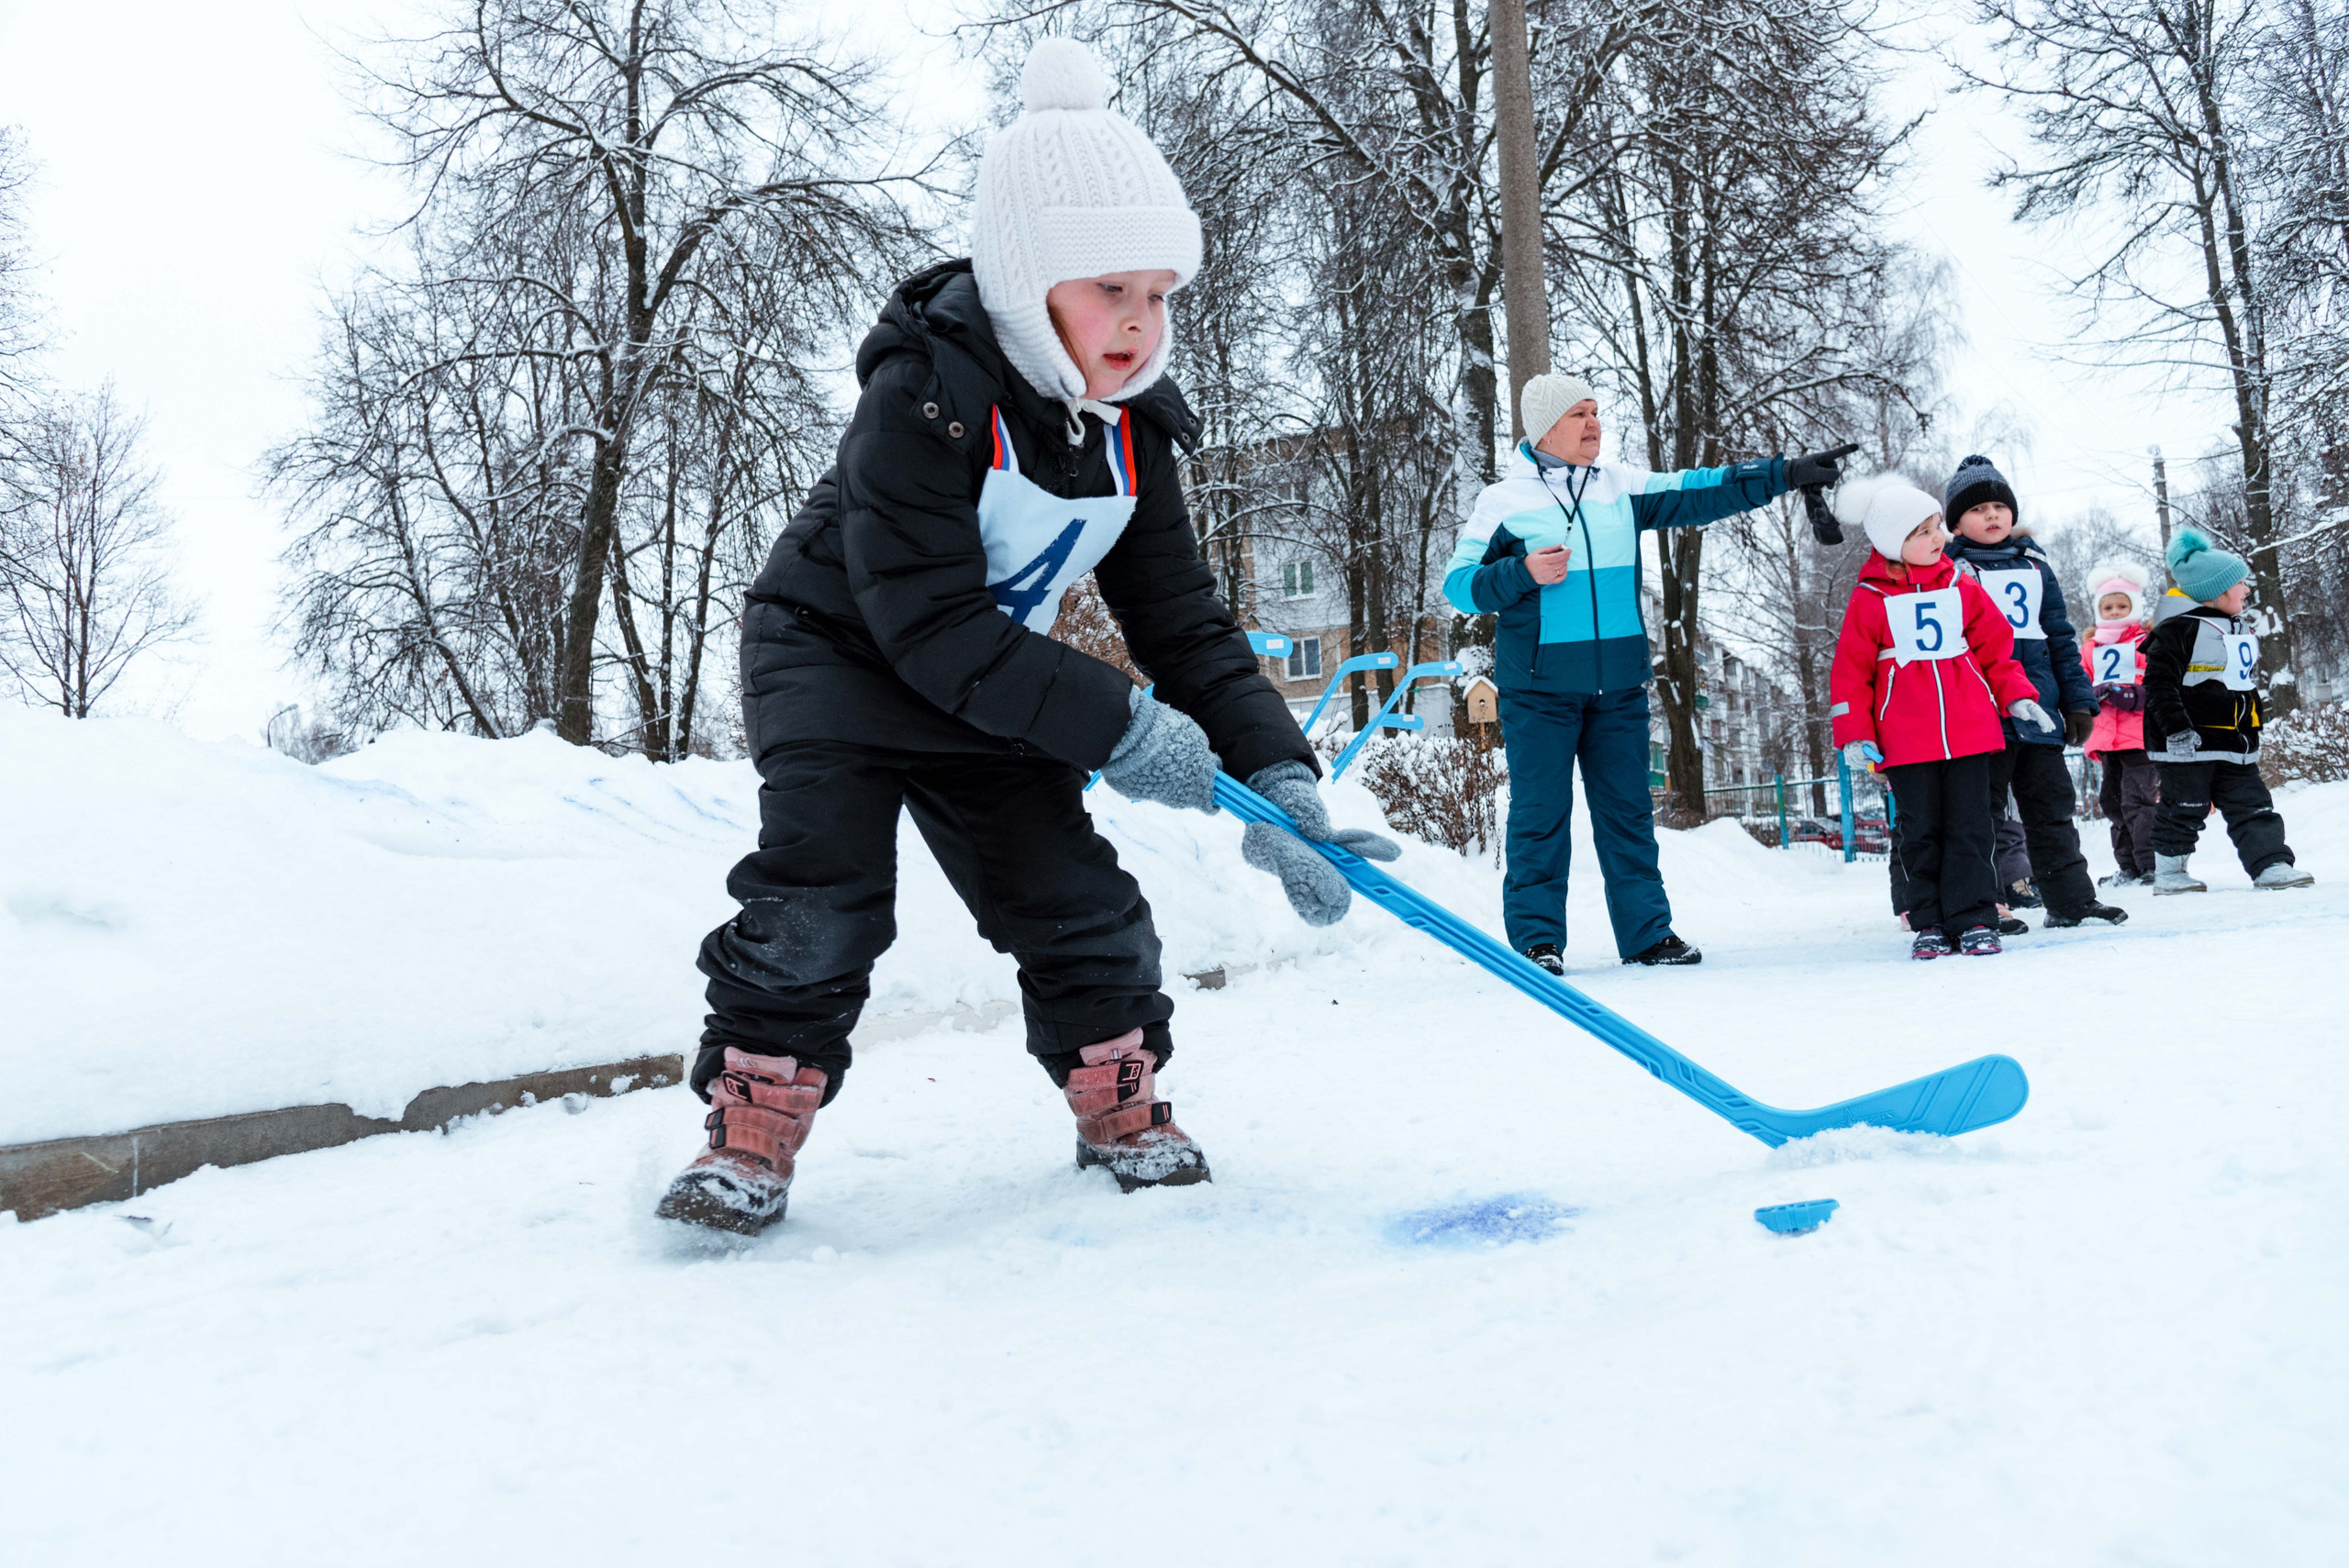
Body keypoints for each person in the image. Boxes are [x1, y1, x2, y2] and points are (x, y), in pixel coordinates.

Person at [657, 40, 1396, 1237]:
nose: (1138, 322)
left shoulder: (1131, 434)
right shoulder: (928, 395)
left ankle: (1117, 1093)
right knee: (826, 889)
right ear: (1028, 278)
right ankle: (756, 1112)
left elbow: (1186, 625)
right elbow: (928, 621)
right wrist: (1120, 726)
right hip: (836, 654)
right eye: (1110, 289)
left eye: (1158, 294)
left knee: (1073, 894)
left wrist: (1280, 777)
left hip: (987, 676)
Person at [1441, 375, 1853, 972]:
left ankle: (1646, 935)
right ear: (1545, 429)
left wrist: (1785, 473)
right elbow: (1459, 587)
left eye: (1596, 412)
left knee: (1629, 814)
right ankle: (1537, 942)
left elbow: (1701, 489)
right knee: (1539, 816)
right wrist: (1522, 572)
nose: (1593, 424)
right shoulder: (1503, 502)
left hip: (1618, 689)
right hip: (1539, 692)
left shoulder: (1619, 489)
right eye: (1579, 414)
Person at [1828, 475, 2052, 959]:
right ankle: (1928, 921)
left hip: (1971, 732)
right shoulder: (1870, 598)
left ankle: (1974, 915)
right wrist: (1854, 734)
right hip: (1906, 740)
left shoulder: (1961, 585)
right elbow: (1850, 672)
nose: (1938, 538)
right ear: (1894, 542)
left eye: (1936, 528)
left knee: (1972, 826)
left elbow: (1997, 650)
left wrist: (2016, 697)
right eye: (1923, 532)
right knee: (1920, 831)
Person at [1939, 455, 2127, 928]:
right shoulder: (1948, 571)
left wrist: (2079, 701)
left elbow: (2059, 636)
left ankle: (2071, 902)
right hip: (1981, 716)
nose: (1992, 515)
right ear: (1956, 521)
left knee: (2052, 811)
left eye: (2000, 506)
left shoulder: (2036, 564)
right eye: (1978, 508)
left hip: (2039, 713)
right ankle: (1982, 907)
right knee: (1978, 818)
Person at [2143, 529, 2315, 895]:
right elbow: (2158, 685)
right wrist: (2177, 730)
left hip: (2234, 742)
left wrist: (2253, 726)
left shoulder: (2237, 626)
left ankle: (2271, 865)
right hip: (2187, 742)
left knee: (2254, 804)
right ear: (2215, 593)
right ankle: (2170, 874)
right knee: (2184, 806)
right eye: (2240, 584)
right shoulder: (2178, 631)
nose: (2247, 590)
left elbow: (2240, 684)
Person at [2079, 562, 2158, 887]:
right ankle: (2127, 866)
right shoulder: (2090, 648)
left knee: (2139, 801)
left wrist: (2138, 695)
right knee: (2112, 802)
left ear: (2135, 607)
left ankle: (2151, 864)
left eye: (2121, 606)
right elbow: (2079, 681)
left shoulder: (2146, 642)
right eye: (2107, 607)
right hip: (2106, 738)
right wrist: (2088, 697)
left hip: (2139, 736)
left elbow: (2159, 681)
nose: (2114, 612)